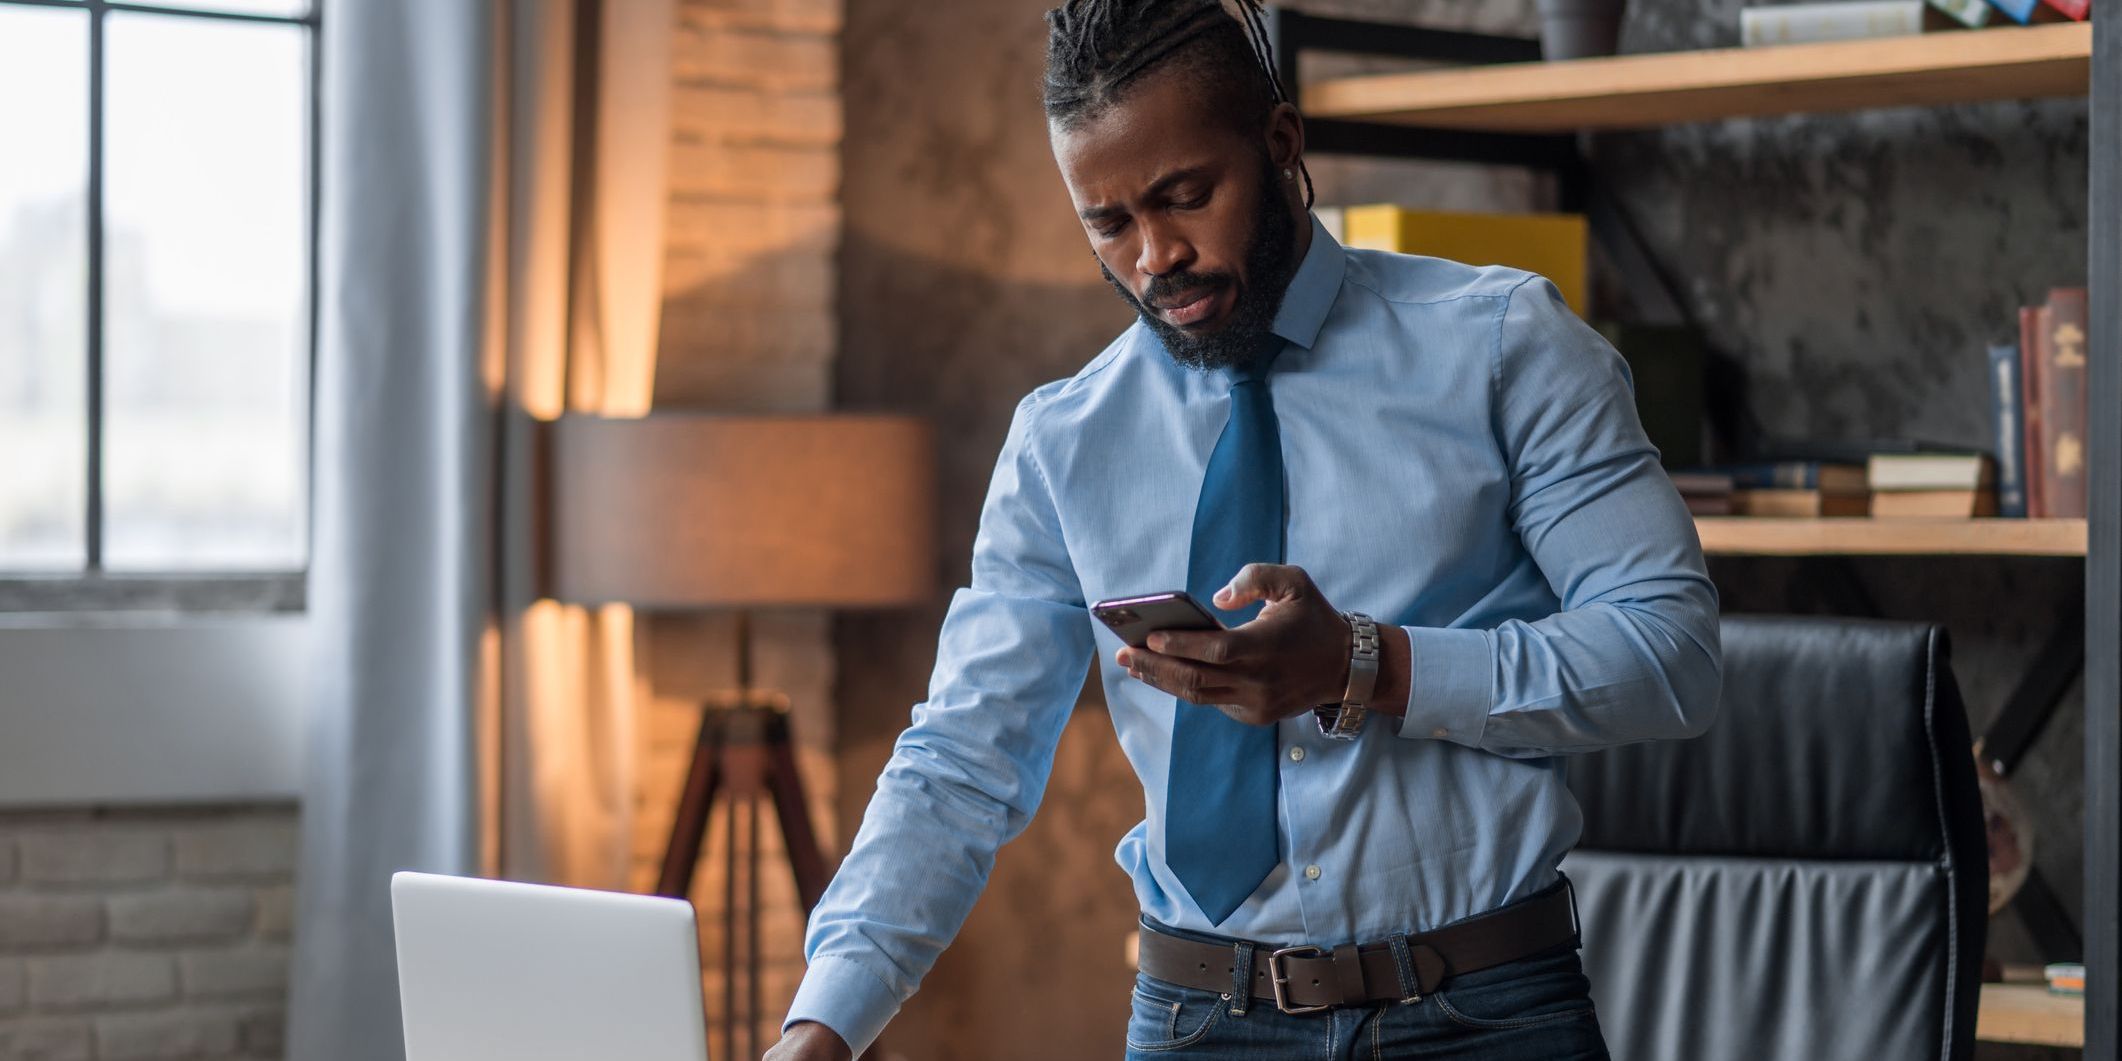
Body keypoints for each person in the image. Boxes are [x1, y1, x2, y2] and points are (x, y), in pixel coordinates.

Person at [767, 1, 1721, 1057]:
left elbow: (1669, 655)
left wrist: (1366, 666)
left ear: (1279, 145)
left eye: (1184, 196)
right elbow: (960, 756)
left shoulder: (1504, 348)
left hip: (1481, 1010)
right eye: (1108, 222)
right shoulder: (1063, 441)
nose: (1153, 256)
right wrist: (823, 1021)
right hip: (1196, 1016)